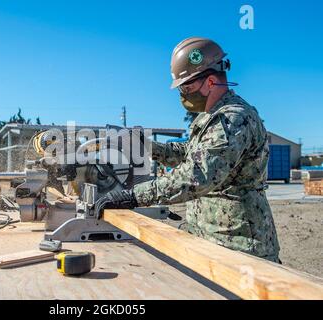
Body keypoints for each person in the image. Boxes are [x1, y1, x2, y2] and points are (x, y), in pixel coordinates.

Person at [95, 37, 280, 263]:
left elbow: (196, 176)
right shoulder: (211, 117)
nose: (183, 94)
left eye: (187, 87)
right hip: (212, 239)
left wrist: (132, 196)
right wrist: (146, 148)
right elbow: (191, 152)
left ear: (210, 82)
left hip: (239, 245)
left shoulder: (232, 119)